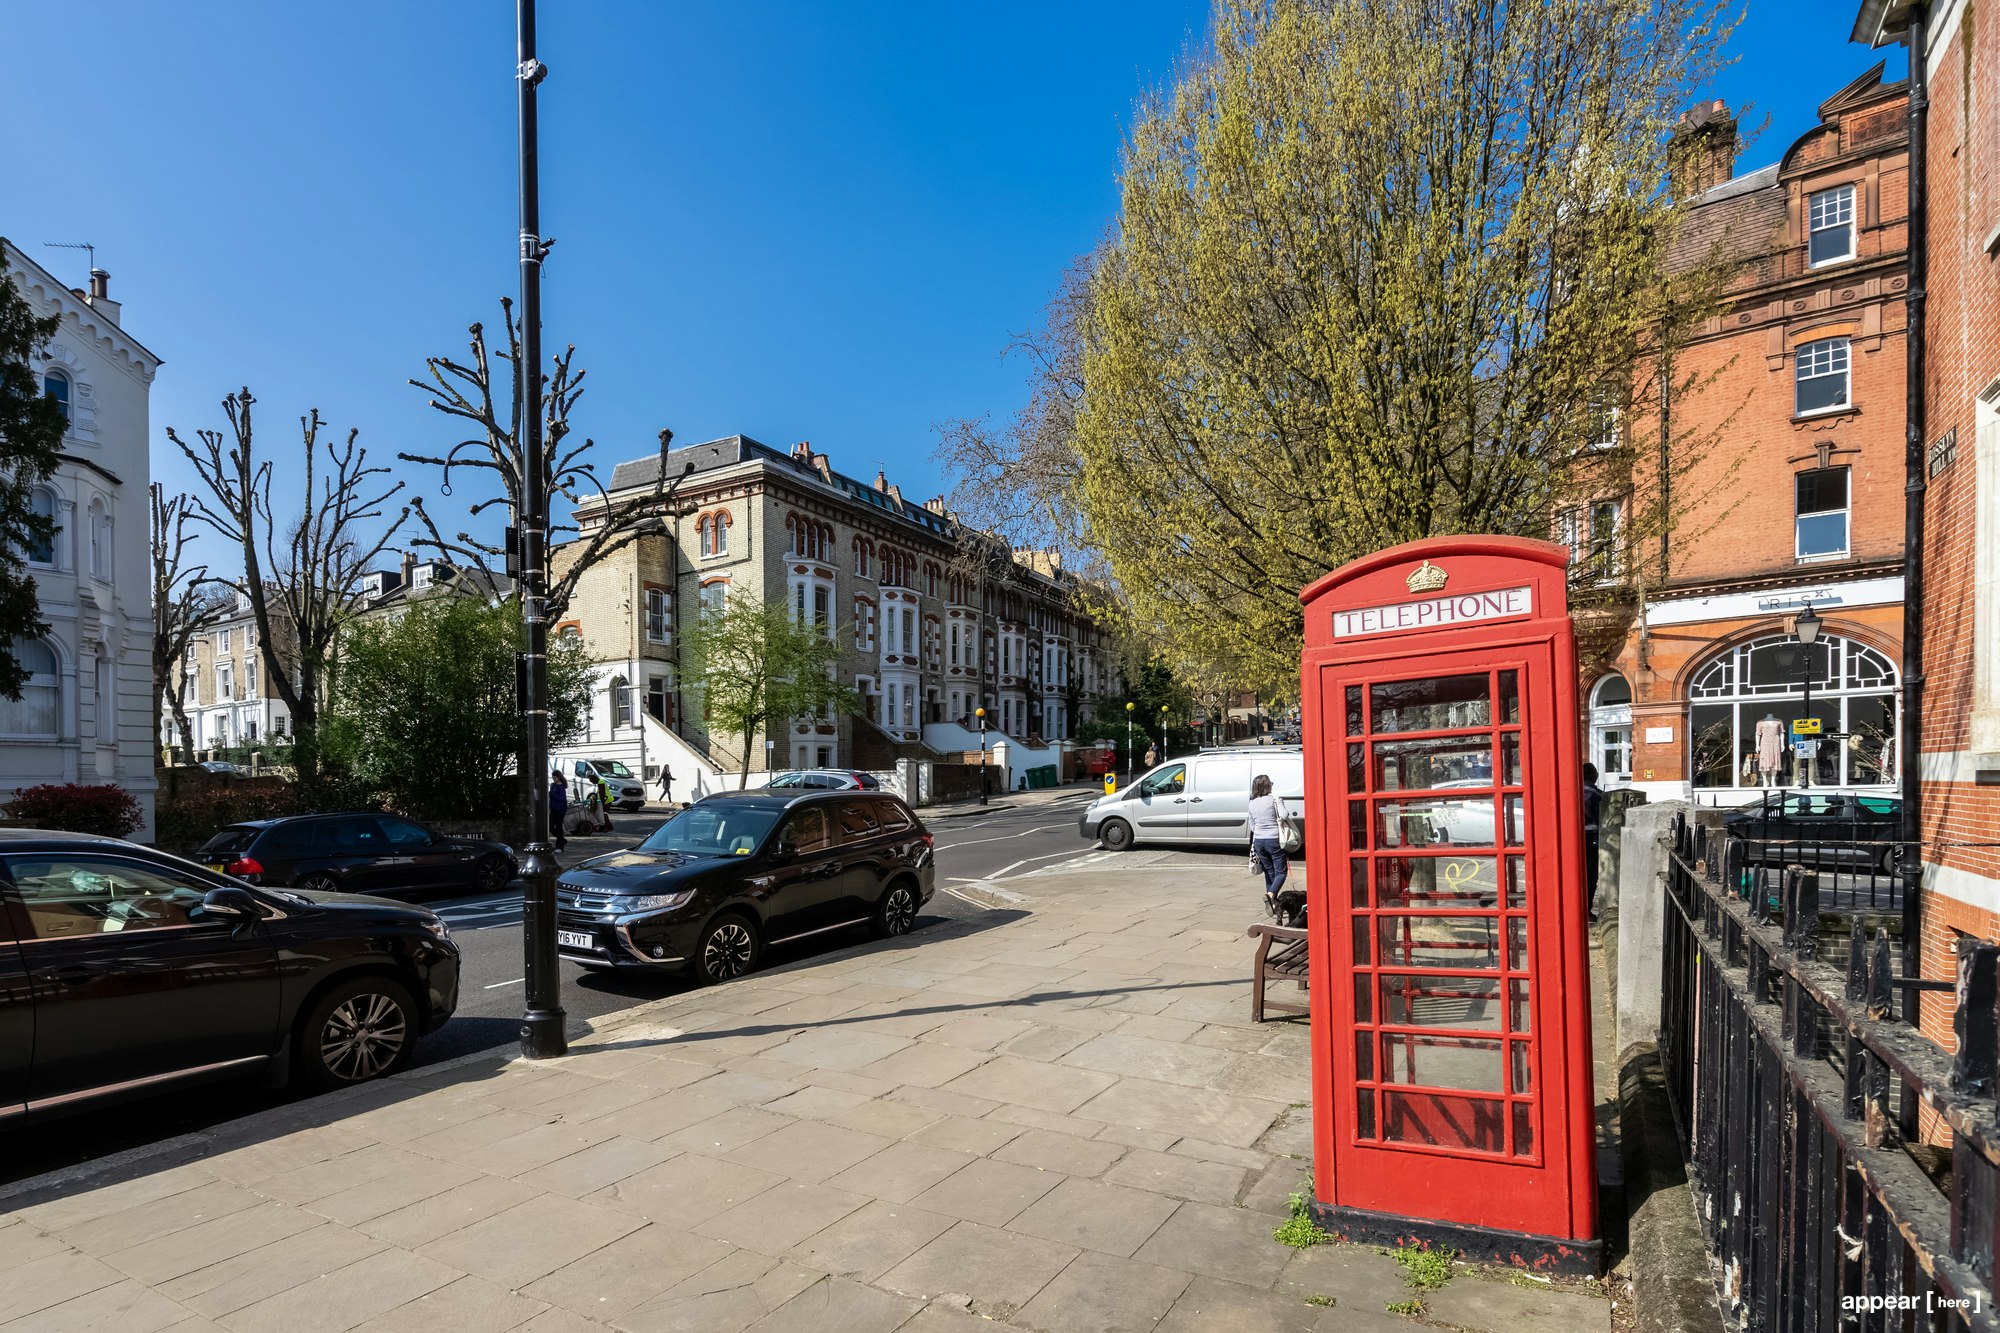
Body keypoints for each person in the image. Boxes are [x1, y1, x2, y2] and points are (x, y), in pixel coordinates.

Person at [1246, 773, 1288, 907]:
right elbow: (1284, 815)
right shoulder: (1275, 799)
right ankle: (1271, 895)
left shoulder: (1252, 802)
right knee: (1281, 872)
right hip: (1274, 839)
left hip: (1258, 841)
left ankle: (1272, 904)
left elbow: (1252, 826)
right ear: (1267, 786)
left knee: (1270, 872)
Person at [1582, 762, 1604, 922]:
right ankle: (1586, 910)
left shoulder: (1570, 792)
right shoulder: (1598, 795)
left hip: (1573, 842)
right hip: (1591, 841)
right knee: (1590, 877)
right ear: (1594, 776)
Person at [548, 768, 569, 852]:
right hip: (553, 808)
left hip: (560, 809)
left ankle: (560, 846)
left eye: (555, 778)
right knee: (551, 827)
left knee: (559, 827)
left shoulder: (561, 787)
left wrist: (551, 793)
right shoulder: (553, 785)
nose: (554, 780)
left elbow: (560, 798)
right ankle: (562, 840)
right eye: (553, 778)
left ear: (559, 777)